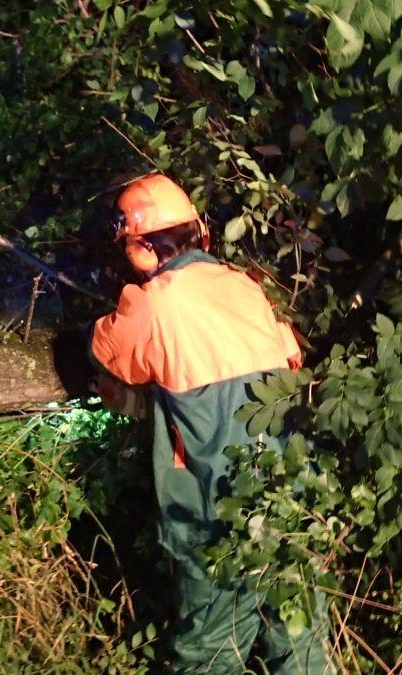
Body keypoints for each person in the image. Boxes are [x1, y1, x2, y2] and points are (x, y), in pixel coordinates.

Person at [89, 174, 333, 673]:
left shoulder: (154, 302)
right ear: (198, 230)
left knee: (212, 652)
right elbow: (290, 360)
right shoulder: (244, 285)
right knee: (300, 635)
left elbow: (107, 353)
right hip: (287, 497)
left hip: (216, 513)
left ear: (140, 250)